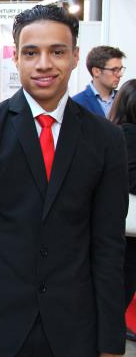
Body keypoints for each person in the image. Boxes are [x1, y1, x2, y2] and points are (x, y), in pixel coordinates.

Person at [0, 4, 127, 357]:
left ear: (75, 57)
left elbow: (108, 247)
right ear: (16, 58)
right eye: (31, 52)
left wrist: (110, 344)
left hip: (75, 328)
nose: (44, 63)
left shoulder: (105, 138)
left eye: (57, 51)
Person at [109, 79, 136, 325]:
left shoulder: (116, 130)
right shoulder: (128, 133)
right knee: (121, 286)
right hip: (126, 228)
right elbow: (130, 178)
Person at [72, 45, 127, 118]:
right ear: (96, 72)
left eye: (120, 69)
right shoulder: (77, 103)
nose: (120, 74)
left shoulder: (125, 100)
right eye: (114, 70)